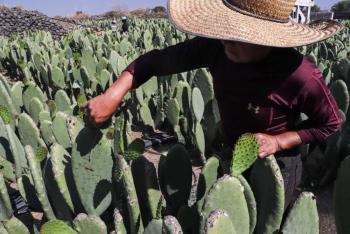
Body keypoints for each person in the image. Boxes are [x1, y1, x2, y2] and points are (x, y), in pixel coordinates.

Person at [82, 0, 342, 208]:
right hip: (231, 155)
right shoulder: (217, 48)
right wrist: (113, 94)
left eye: (238, 34)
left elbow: (330, 123)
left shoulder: (300, 75)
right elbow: (155, 62)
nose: (225, 39)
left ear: (269, 38)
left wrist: (280, 141)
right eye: (224, 29)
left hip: (276, 169)